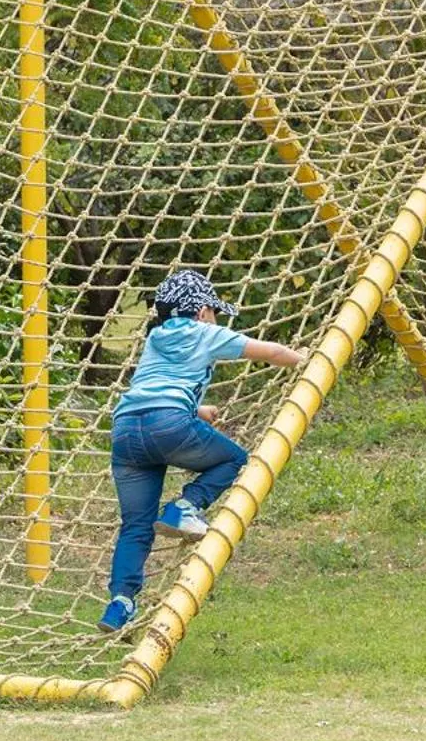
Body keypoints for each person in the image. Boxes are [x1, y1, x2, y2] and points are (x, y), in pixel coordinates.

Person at [99, 269, 306, 633]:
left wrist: (197, 410)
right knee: (235, 459)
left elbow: (152, 391)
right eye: (214, 310)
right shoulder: (204, 332)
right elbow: (270, 352)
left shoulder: (154, 339)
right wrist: (302, 358)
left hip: (126, 431)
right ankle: (186, 506)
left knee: (135, 526)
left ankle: (120, 603)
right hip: (169, 426)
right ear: (200, 311)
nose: (216, 318)